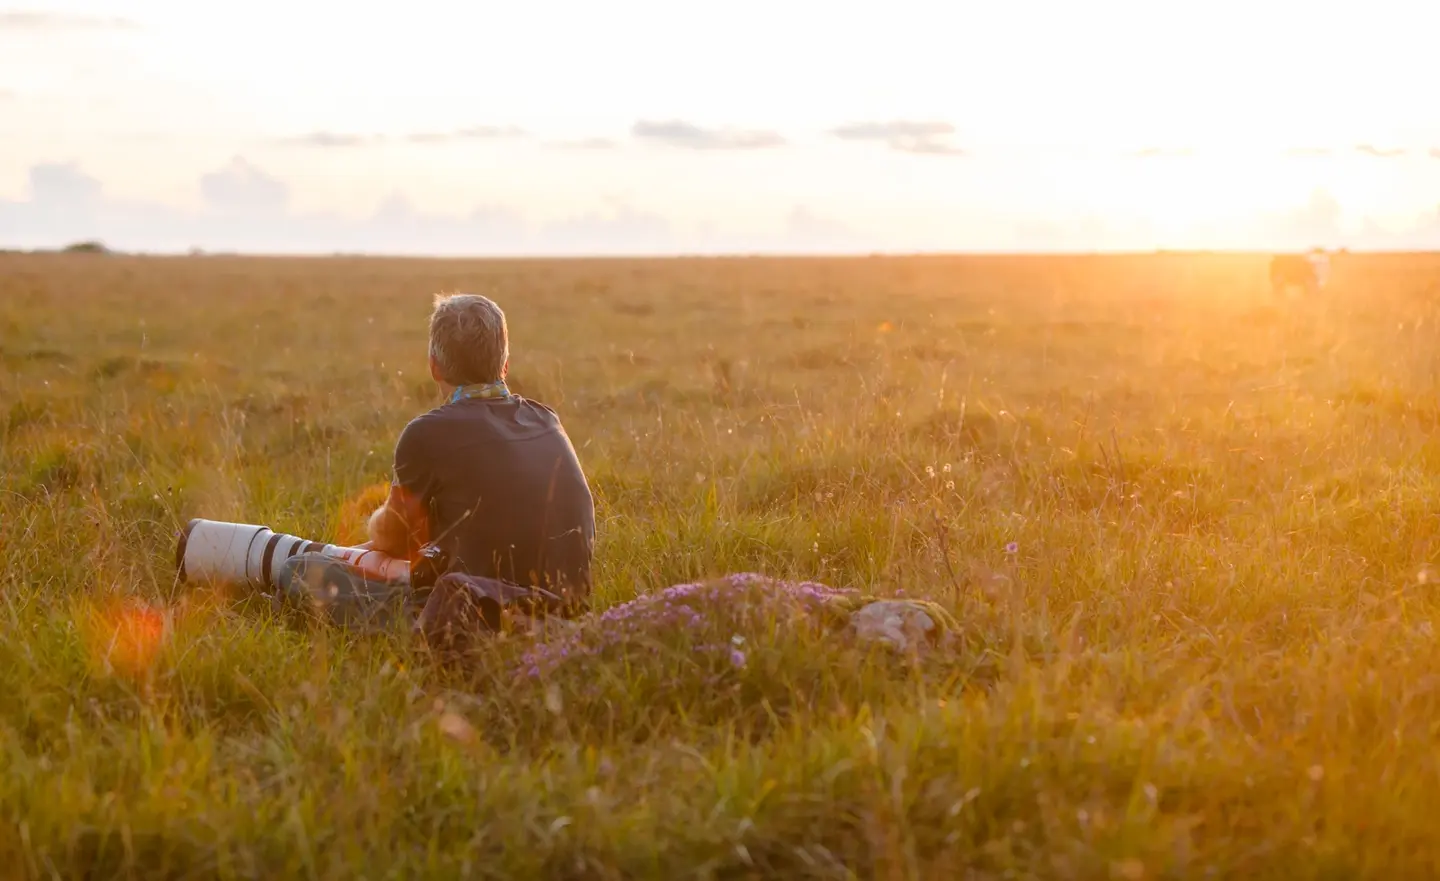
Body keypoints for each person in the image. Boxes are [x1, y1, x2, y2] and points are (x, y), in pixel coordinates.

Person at [275, 293, 596, 632]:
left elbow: (393, 542)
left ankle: (408, 635)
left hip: (476, 614)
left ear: (434, 366)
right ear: (505, 364)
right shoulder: (547, 418)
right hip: (568, 607)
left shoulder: (426, 433)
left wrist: (359, 545)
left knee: (299, 570)